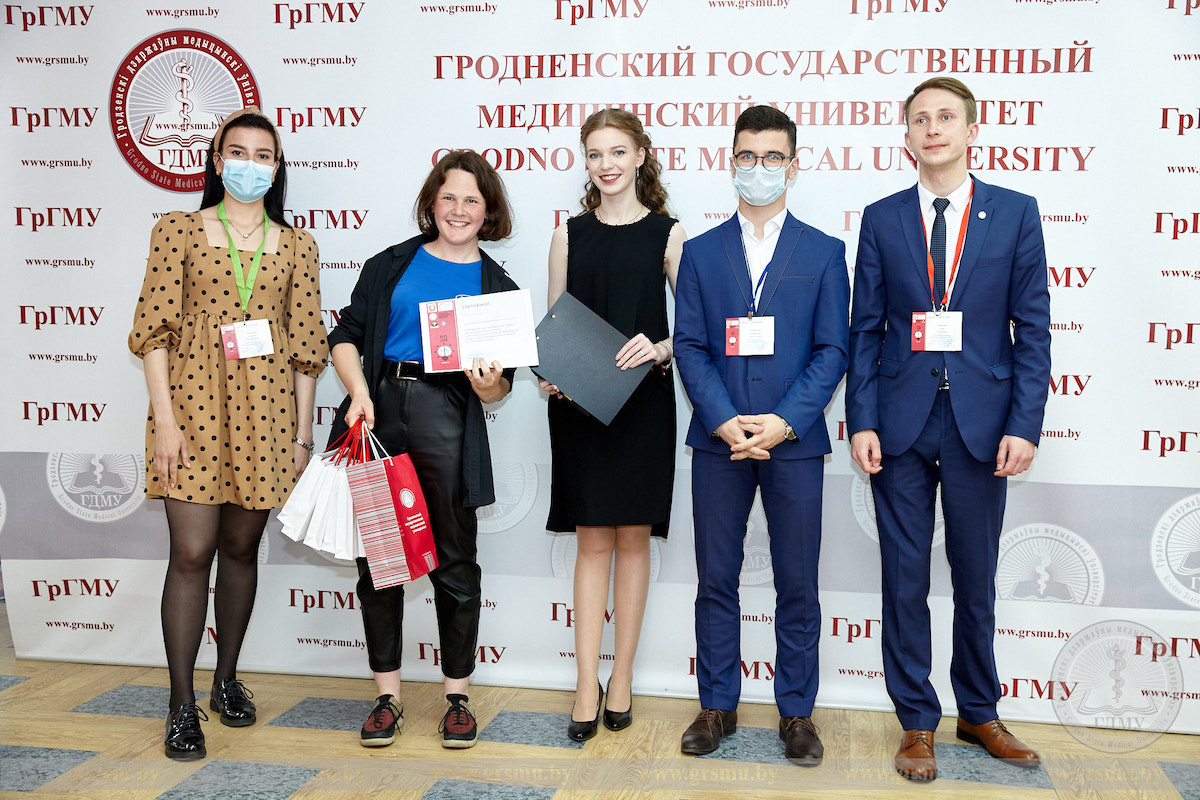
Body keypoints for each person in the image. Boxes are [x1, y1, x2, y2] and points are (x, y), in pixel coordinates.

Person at [846, 77, 1051, 782]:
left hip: (982, 425)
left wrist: (1025, 423)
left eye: (946, 117)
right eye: (920, 119)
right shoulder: (882, 218)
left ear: (971, 130)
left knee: (976, 577)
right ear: (906, 136)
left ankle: (980, 712)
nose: (933, 129)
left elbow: (1033, 328)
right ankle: (916, 721)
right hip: (900, 424)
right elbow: (865, 329)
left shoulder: (1015, 212)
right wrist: (862, 419)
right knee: (904, 579)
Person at [128, 106, 328, 760]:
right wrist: (165, 421)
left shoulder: (297, 246)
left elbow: (306, 349)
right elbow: (153, 333)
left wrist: (301, 437)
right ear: (217, 162)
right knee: (191, 554)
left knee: (241, 551)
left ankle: (227, 680)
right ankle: (180, 704)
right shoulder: (179, 230)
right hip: (191, 411)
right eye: (237, 152)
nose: (250, 164)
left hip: (268, 418)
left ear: (277, 167)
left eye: (263, 155)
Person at [673, 106, 849, 766]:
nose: (759, 168)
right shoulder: (699, 252)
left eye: (773, 157)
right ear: (731, 162)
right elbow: (690, 345)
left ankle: (797, 712)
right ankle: (716, 705)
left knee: (797, 584)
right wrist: (723, 418)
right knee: (716, 580)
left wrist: (784, 420)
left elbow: (832, 350)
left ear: (793, 166)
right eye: (747, 156)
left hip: (793, 442)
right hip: (718, 442)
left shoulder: (824, 252)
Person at [327, 150, 517, 750]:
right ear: (432, 202)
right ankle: (387, 697)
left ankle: (457, 699)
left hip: (450, 417)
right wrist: (360, 393)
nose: (458, 210)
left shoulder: (498, 287)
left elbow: (501, 386)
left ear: (488, 211)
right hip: (380, 412)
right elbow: (345, 336)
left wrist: (489, 385)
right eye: (448, 196)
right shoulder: (390, 264)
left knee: (455, 561)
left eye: (472, 200)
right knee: (381, 561)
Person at [540, 109, 685, 741]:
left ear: (641, 156)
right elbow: (554, 325)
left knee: (633, 539)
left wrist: (660, 347)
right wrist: (549, 373)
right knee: (592, 540)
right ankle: (584, 682)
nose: (606, 164)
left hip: (644, 404)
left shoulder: (669, 235)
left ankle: (621, 676)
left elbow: (694, 328)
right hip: (581, 407)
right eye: (595, 153)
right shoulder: (567, 235)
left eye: (618, 152)